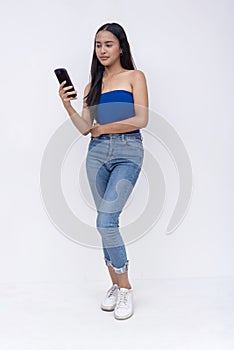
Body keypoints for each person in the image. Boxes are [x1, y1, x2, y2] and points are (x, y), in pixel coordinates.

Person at [58, 22, 148, 320]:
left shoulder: (135, 77)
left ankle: (125, 288)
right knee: (105, 223)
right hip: (96, 155)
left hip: (128, 151)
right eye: (98, 45)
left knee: (106, 220)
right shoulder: (90, 87)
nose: (102, 50)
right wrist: (68, 106)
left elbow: (141, 119)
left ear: (121, 46)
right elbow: (86, 129)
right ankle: (114, 285)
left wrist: (104, 128)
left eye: (108, 44)